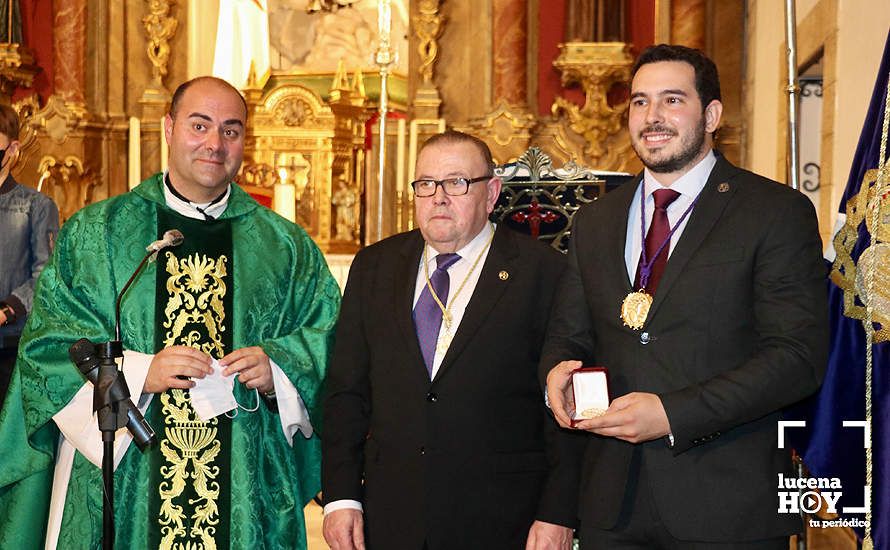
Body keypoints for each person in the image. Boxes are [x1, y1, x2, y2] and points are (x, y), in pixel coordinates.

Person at [0, 76, 340, 549]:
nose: (214, 144)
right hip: (126, 473)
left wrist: (277, 366)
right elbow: (47, 349)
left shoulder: (285, 248)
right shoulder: (98, 233)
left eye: (230, 130)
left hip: (244, 471)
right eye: (199, 125)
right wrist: (140, 372)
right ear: (168, 127)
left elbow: (330, 342)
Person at [542, 44, 828, 549]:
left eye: (672, 100)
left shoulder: (773, 212)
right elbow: (569, 334)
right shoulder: (595, 222)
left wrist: (674, 413)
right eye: (639, 101)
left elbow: (796, 358)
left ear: (712, 114)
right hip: (612, 509)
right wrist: (558, 371)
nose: (652, 116)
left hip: (725, 506)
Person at [323, 130, 583, 550]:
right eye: (426, 184)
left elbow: (565, 405)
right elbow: (345, 394)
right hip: (392, 515)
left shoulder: (544, 273)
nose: (438, 197)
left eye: (457, 182)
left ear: (492, 192)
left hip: (502, 517)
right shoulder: (375, 267)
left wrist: (558, 512)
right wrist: (341, 496)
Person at [0, 104, 59, 405]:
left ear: (12, 148)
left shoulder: (36, 205)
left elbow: (46, 274)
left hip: (11, 344)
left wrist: (7, 310)